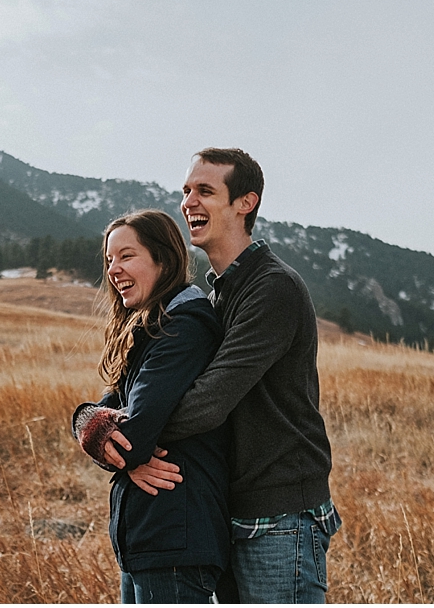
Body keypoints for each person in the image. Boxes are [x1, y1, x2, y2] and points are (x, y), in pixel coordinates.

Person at [94, 148, 341, 603]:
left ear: (245, 203)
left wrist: (133, 436)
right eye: (186, 190)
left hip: (279, 512)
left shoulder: (272, 287)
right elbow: (129, 387)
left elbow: (209, 400)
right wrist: (94, 423)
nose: (188, 201)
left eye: (205, 190)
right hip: (231, 505)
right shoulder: (215, 295)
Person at [71, 209, 230, 604]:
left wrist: (114, 440)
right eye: (109, 260)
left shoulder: (183, 327)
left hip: (174, 537)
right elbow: (103, 411)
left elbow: (131, 436)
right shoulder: (151, 330)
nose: (114, 269)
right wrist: (86, 421)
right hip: (150, 537)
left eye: (127, 256)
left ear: (163, 258)